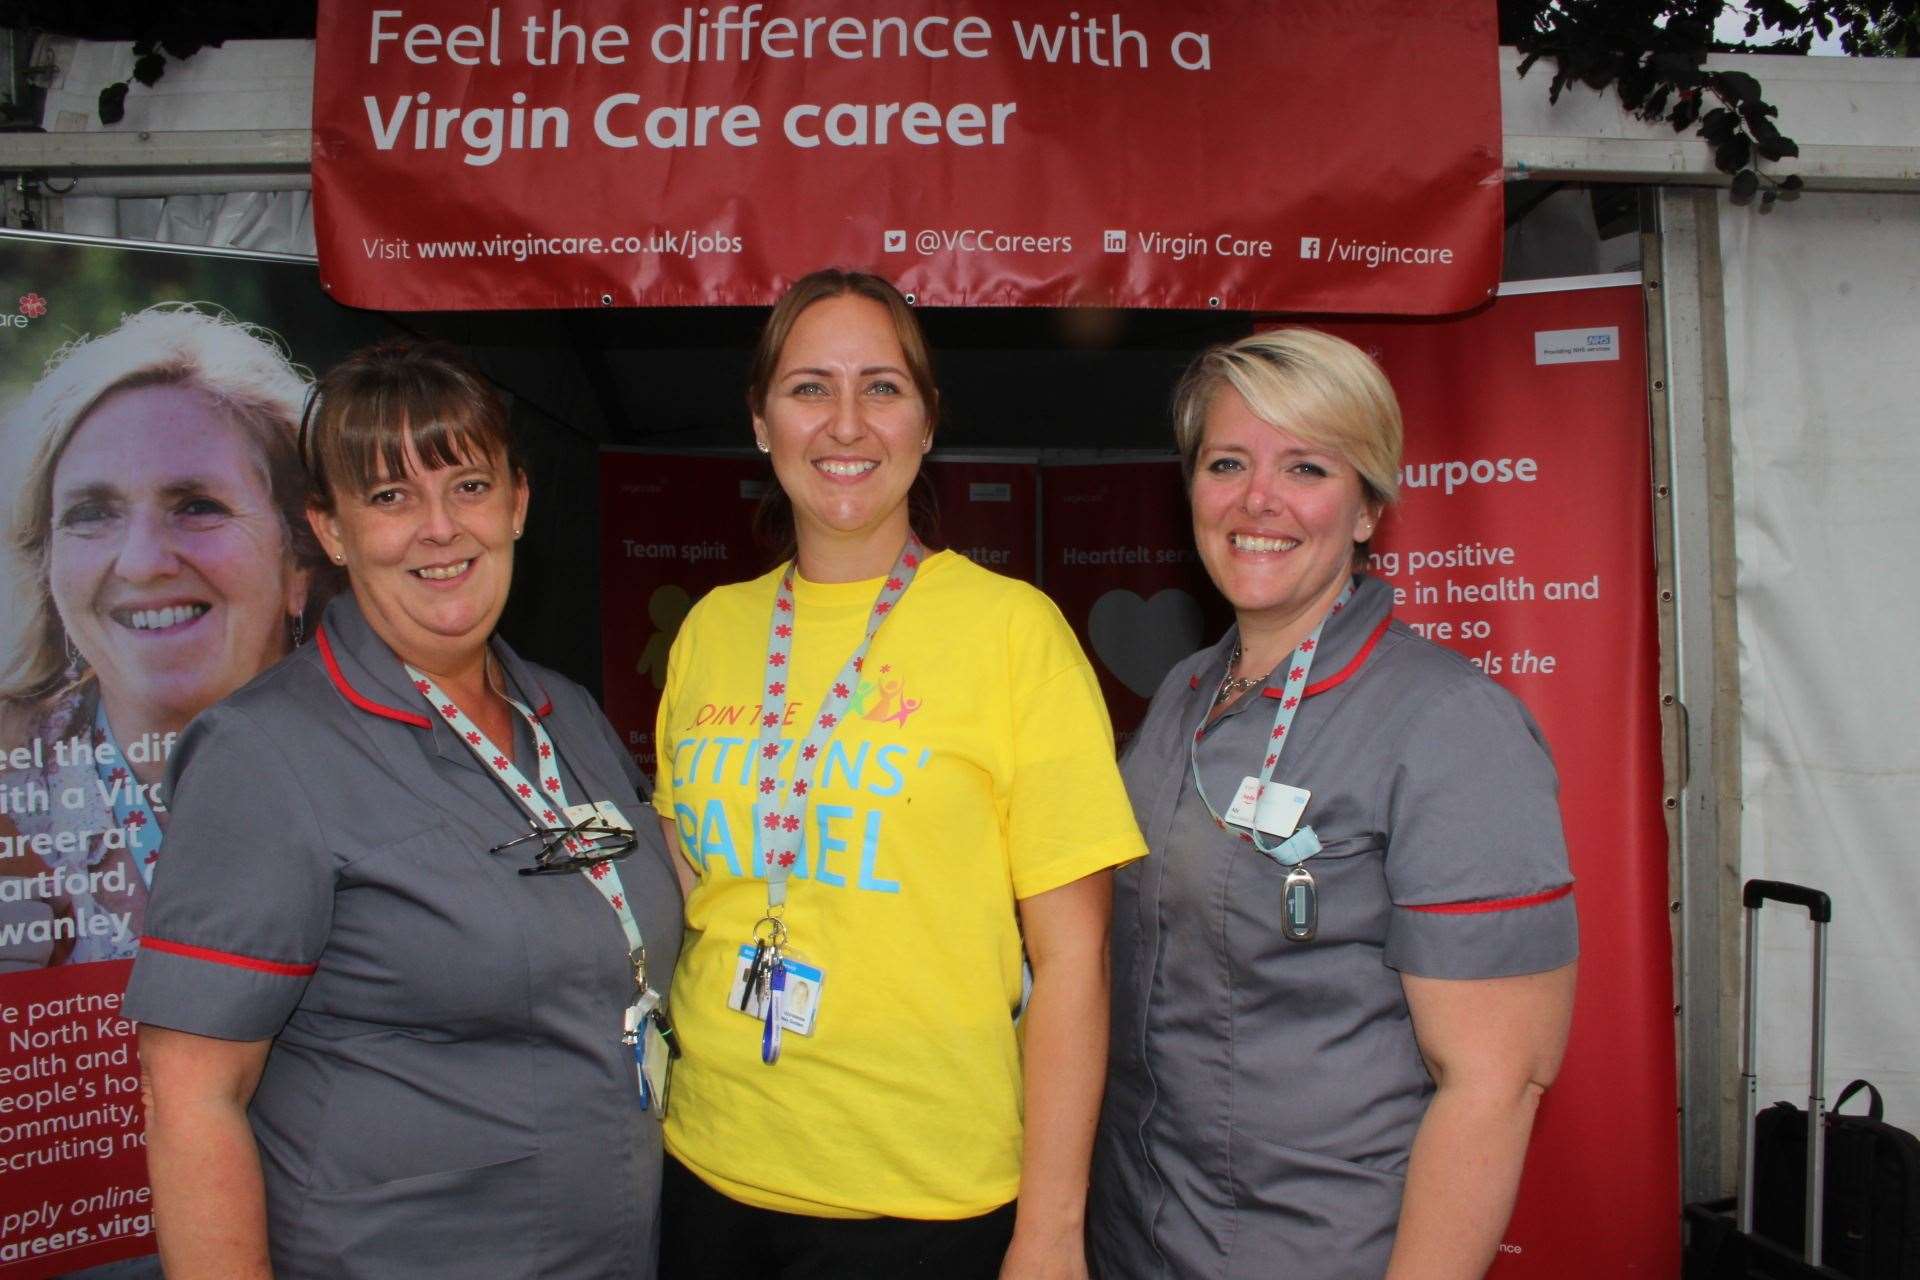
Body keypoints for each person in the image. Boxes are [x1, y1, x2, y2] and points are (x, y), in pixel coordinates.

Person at [122, 341, 681, 1279]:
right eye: (388, 497)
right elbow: (189, 1096)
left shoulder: (568, 716)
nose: (438, 528)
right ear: (331, 531)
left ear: (518, 502)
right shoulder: (267, 754)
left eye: (467, 485)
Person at [653, 269, 1144, 1279]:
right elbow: (696, 884)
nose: (846, 423)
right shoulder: (712, 630)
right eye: (808, 387)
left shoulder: (1014, 632)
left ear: (927, 425)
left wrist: (1050, 1231)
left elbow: (1075, 965)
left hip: (925, 1200)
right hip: (706, 1166)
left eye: (881, 387)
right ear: (759, 422)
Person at [1088, 329, 1578, 1280]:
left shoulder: (1450, 727)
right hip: (1137, 1236)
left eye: (1306, 466)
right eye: (1226, 462)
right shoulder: (1187, 695)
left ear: (1366, 509)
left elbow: (1495, 1084)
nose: (1256, 499)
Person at [0, 304, 327, 968]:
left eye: (197, 506)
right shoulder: (7, 784)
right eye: (93, 514)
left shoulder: (401, 768)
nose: (143, 561)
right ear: (48, 565)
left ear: (299, 558)